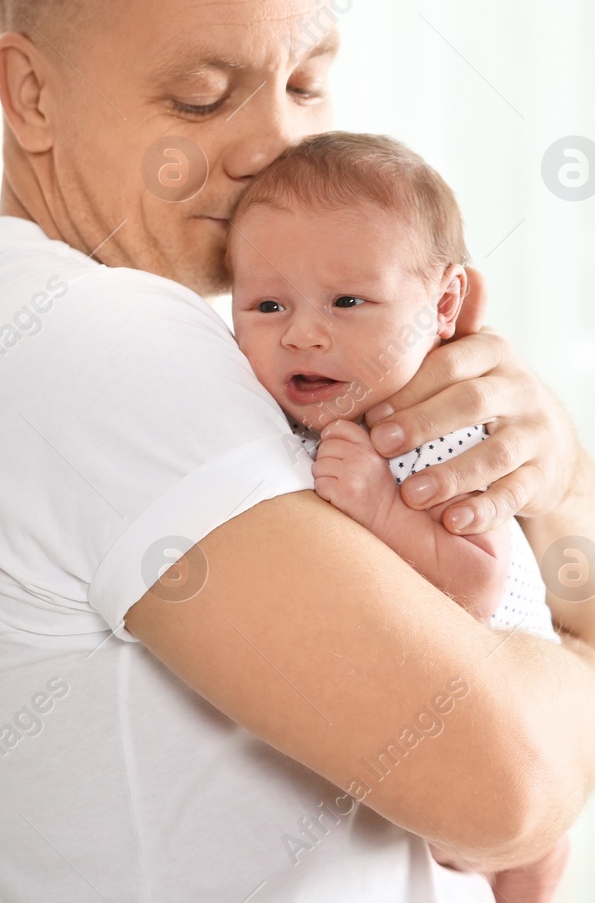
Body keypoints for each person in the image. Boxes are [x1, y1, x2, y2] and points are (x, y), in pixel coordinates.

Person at [0, 0, 595, 899]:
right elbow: (506, 787)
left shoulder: (257, 354)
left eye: (308, 79)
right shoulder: (93, 345)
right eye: (198, 97)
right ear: (31, 92)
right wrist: (591, 681)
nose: (275, 145)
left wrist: (547, 463)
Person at [229, 131, 569, 901]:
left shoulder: (432, 432)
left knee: (516, 846)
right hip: (419, 711)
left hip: (512, 678)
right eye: (265, 304)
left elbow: (479, 579)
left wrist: (383, 505)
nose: (303, 332)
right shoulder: (290, 418)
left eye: (349, 302)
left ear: (444, 305)